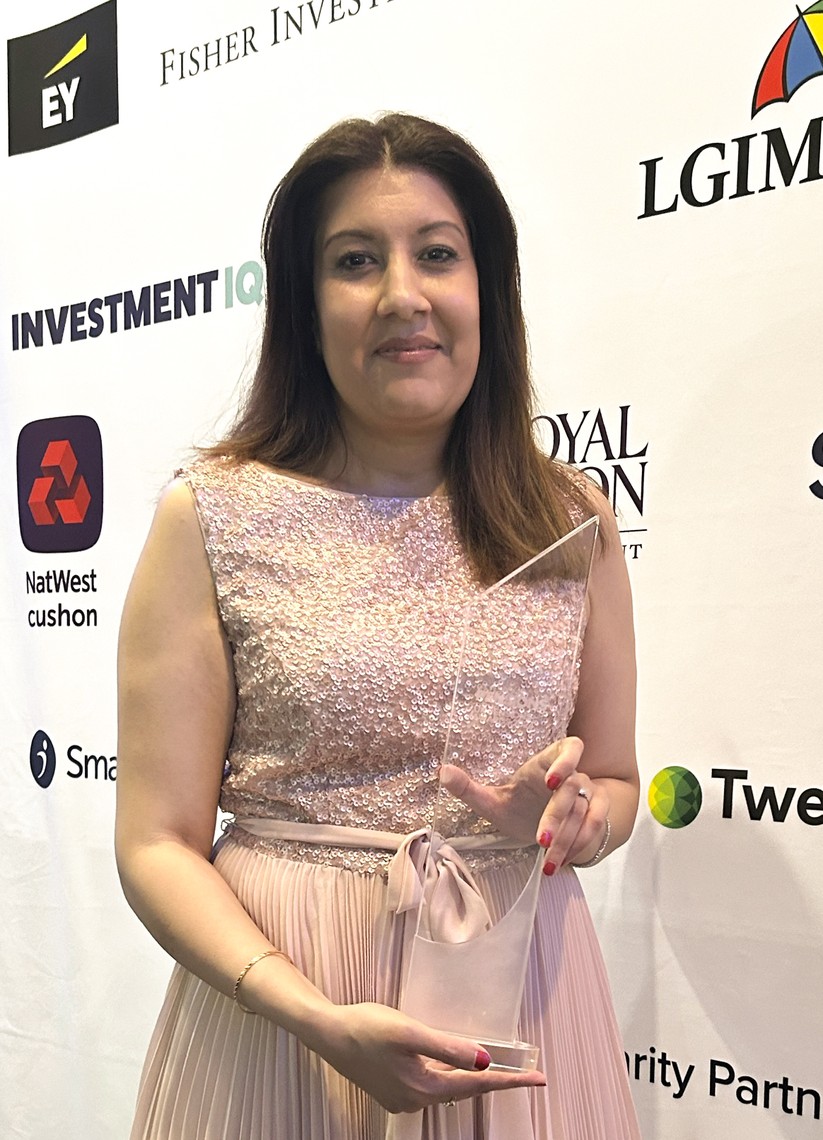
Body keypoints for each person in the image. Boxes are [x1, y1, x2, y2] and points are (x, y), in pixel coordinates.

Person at [116, 112, 641, 1140]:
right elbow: (155, 841)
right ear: (307, 307)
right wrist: (306, 1011)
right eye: (355, 261)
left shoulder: (570, 523)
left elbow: (616, 783)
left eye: (437, 255)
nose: (404, 294)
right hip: (280, 1022)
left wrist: (577, 820)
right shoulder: (212, 517)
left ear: (486, 286)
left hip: (514, 1004)